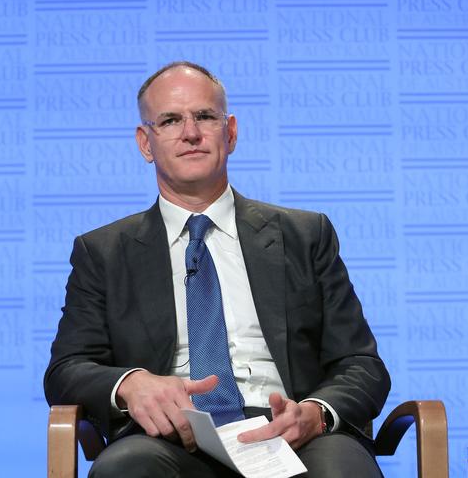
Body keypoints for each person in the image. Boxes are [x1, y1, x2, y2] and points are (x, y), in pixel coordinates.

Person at [44, 61, 390, 477]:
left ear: (230, 132)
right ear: (145, 143)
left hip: (293, 436)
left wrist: (315, 414)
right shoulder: (103, 251)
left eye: (205, 117)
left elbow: (361, 365)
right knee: (126, 469)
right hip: (168, 439)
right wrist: (133, 383)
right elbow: (66, 370)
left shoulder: (304, 234)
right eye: (170, 120)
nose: (190, 133)